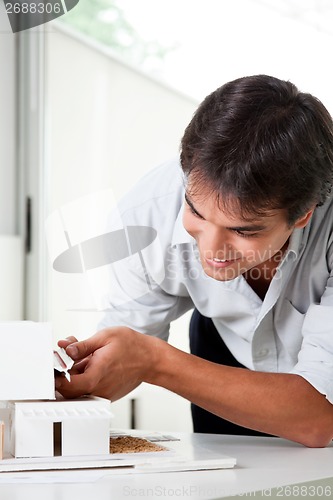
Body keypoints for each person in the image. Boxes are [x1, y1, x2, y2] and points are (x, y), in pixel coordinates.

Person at [56, 74, 333, 447]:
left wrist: (154, 361)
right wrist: (74, 379)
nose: (213, 250)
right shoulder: (146, 215)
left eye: (244, 231)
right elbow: (129, 350)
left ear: (303, 215)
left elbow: (319, 420)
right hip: (224, 348)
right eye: (196, 213)